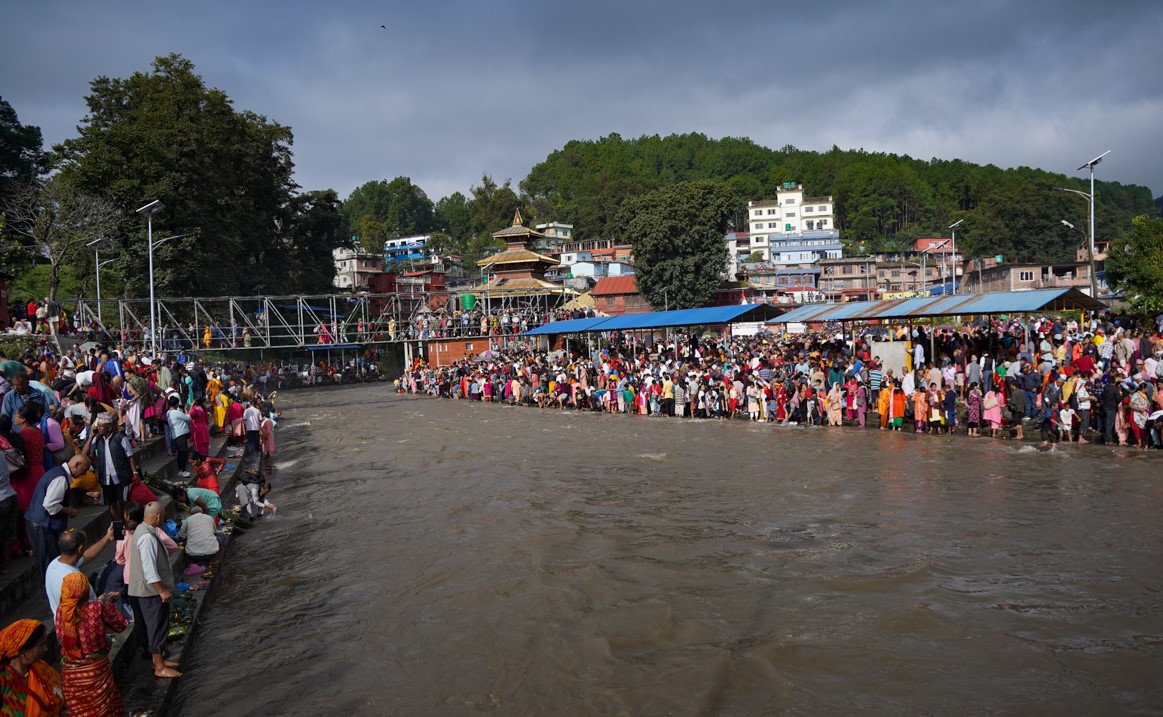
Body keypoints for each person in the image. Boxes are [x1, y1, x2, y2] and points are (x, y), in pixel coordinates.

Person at [55, 572, 127, 716]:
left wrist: (101, 603)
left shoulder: (60, 610)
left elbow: (79, 612)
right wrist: (107, 604)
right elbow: (121, 625)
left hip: (71, 673)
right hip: (96, 671)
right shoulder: (96, 608)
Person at [127, 502, 181, 679]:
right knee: (156, 626)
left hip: (144, 590)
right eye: (163, 516)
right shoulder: (147, 537)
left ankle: (159, 661)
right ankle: (159, 667)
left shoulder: (142, 530)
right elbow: (149, 569)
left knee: (154, 625)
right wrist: (162, 590)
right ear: (158, 517)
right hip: (149, 591)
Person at [26, 454, 90, 576]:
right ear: (77, 465)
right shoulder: (60, 478)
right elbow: (50, 505)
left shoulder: (57, 473)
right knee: (49, 562)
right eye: (84, 470)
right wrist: (69, 511)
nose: (84, 474)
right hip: (42, 525)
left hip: (40, 522)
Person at [45, 525, 113, 617]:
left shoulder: (54, 565)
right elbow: (87, 613)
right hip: (81, 629)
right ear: (80, 549)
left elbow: (86, 556)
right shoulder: (75, 580)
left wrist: (107, 538)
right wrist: (103, 601)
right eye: (85, 544)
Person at [0, 619, 63, 716]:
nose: (46, 649)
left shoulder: (42, 668)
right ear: (23, 653)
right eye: (41, 645)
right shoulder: (4, 682)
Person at [83, 411, 137, 515]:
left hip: (121, 476)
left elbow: (130, 456)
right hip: (105, 479)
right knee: (111, 503)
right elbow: (84, 454)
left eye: (101, 426)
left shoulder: (120, 438)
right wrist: (91, 437)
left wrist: (135, 473)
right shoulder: (97, 439)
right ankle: (116, 523)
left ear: (109, 427)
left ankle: (125, 523)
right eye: (98, 426)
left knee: (123, 502)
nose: (99, 428)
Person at [166, 396, 192, 478]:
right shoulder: (176, 412)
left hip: (176, 434)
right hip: (180, 433)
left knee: (181, 452)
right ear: (176, 404)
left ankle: (181, 469)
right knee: (183, 452)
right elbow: (188, 418)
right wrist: (186, 410)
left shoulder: (168, 413)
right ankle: (183, 470)